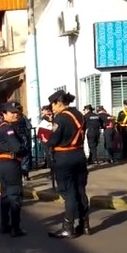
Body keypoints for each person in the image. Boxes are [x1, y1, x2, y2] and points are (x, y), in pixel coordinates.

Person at [42, 90, 90, 238]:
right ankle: (85, 225)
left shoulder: (61, 119)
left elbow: (54, 140)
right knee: (80, 190)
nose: (52, 108)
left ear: (59, 103)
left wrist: (46, 140)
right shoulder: (79, 115)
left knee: (69, 193)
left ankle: (68, 228)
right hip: (79, 154)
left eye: (53, 105)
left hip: (64, 157)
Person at [0, 102, 28, 237]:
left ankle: (5, 225)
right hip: (10, 163)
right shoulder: (8, 128)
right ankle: (15, 228)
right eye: (12, 112)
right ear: (4, 114)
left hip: (3, 164)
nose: (15, 114)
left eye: (16, 112)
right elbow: (17, 147)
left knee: (6, 195)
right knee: (15, 194)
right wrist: (23, 149)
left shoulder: (4, 127)